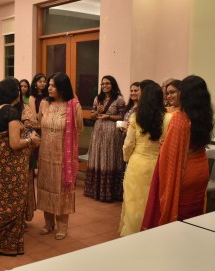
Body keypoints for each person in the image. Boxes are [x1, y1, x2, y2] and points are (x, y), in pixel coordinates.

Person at [0, 78, 40, 258]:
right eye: (18, 90)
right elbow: (14, 143)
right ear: (13, 93)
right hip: (9, 162)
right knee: (13, 201)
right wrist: (31, 140)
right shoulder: (11, 111)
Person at [142, 75, 214, 228]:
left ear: (185, 94)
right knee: (194, 215)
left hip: (185, 171)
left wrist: (165, 145)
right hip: (201, 169)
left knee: (180, 218)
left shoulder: (180, 118)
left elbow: (171, 153)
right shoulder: (205, 116)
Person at [119, 82, 172, 236]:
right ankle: (150, 233)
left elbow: (128, 144)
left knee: (133, 201)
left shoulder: (136, 117)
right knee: (153, 201)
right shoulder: (169, 118)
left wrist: (127, 158)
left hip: (137, 163)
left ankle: (131, 233)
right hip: (158, 164)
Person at [37, 73, 83, 240]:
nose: (48, 88)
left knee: (61, 191)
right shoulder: (44, 104)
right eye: (48, 85)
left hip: (63, 158)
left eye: (53, 85)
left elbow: (79, 129)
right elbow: (39, 124)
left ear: (62, 88)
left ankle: (62, 226)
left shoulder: (73, 106)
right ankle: (48, 223)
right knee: (46, 188)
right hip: (45, 155)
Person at [84, 75, 125, 202]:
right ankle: (95, 189)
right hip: (98, 131)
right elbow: (92, 115)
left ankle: (109, 191)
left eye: (107, 83)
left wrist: (108, 116)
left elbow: (122, 116)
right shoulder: (98, 98)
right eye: (102, 84)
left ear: (113, 85)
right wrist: (98, 112)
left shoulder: (119, 99)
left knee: (109, 157)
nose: (104, 86)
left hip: (112, 132)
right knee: (98, 156)